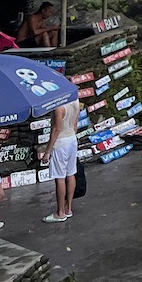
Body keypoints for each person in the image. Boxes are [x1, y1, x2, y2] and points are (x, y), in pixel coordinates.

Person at [40, 94, 80, 223]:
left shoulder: (59, 106)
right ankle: (68, 209)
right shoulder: (75, 101)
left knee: (60, 177)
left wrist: (48, 151)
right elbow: (75, 123)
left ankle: (60, 212)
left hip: (61, 142)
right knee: (71, 173)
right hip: (72, 138)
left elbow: (56, 129)